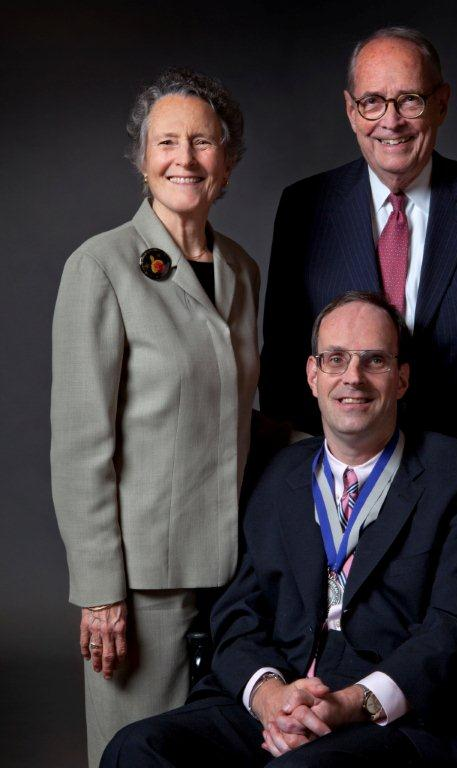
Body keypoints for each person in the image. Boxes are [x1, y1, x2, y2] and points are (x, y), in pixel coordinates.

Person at [101, 292, 457, 767]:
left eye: (374, 360)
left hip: (389, 718)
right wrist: (272, 698)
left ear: (401, 379)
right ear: (313, 376)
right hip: (279, 692)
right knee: (134, 748)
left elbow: (456, 628)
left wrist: (347, 704)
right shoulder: (275, 475)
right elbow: (238, 615)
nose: (352, 377)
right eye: (335, 359)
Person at [260, 26, 457, 542]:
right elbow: (285, 353)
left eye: (410, 101)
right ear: (352, 110)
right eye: (373, 102)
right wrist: (297, 477)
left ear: (441, 103)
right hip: (339, 491)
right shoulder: (305, 207)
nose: (391, 122)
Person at [50, 67, 259, 766]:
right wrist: (100, 592)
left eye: (203, 142)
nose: (184, 158)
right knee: (136, 755)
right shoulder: (101, 266)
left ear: (226, 162)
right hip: (144, 583)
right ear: (142, 160)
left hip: (234, 572)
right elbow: (81, 446)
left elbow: (241, 418)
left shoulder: (240, 269)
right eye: (166, 142)